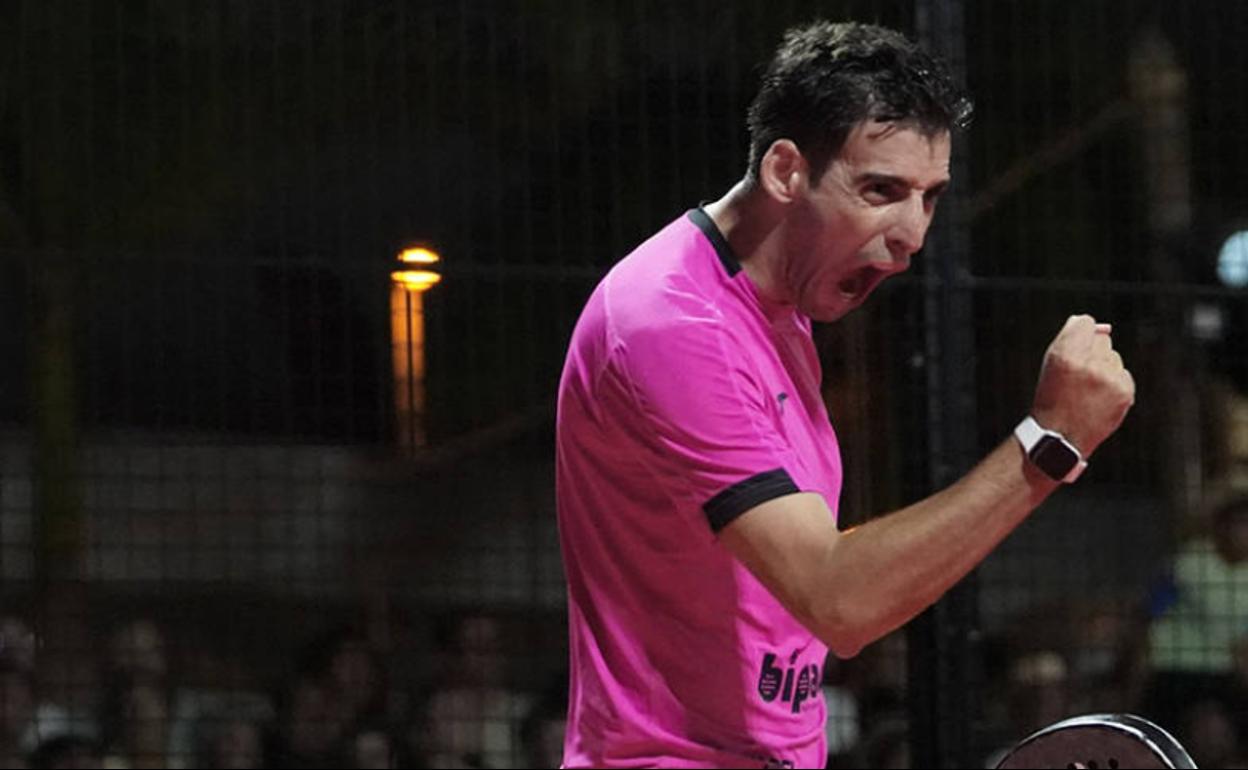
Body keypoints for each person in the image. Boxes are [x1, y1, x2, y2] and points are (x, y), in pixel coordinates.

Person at [555, 20, 1136, 769]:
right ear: (786, 171)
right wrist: (1049, 441)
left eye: (929, 197)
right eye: (881, 190)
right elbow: (840, 601)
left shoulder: (779, 310)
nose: (912, 234)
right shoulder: (673, 324)